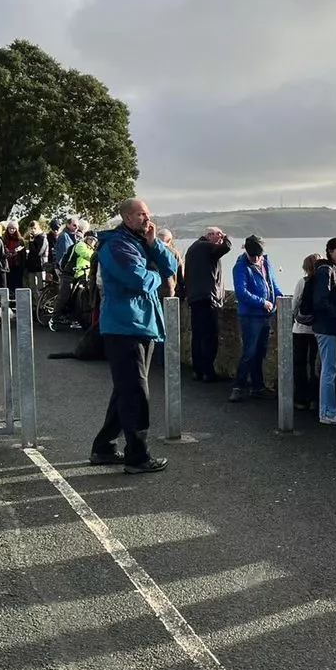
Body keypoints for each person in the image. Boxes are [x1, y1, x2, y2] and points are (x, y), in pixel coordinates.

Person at [89, 198, 177, 474]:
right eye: (141, 214)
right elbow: (138, 280)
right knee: (135, 392)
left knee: (126, 389)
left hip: (140, 324)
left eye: (148, 214)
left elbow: (171, 267)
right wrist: (155, 274)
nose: (147, 219)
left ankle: (103, 447)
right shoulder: (117, 245)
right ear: (126, 218)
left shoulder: (139, 242)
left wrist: (154, 244)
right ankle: (137, 456)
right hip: (124, 326)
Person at [230, 235, 283, 403]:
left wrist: (280, 299)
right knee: (249, 352)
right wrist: (262, 302)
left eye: (258, 255)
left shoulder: (266, 263)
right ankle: (238, 387)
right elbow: (241, 292)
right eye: (253, 255)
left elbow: (273, 284)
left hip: (266, 315)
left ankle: (257, 387)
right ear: (247, 251)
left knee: (260, 353)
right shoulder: (240, 267)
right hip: (250, 316)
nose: (256, 259)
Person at [184, 227, 232, 383]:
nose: (219, 239)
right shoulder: (206, 246)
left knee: (197, 336)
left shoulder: (192, 248)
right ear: (209, 235)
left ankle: (198, 370)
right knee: (210, 336)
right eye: (218, 235)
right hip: (207, 298)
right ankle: (208, 372)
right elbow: (226, 247)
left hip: (194, 297)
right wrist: (226, 237)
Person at [311, 238, 336, 425]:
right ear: (329, 251)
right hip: (326, 327)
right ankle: (327, 412)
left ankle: (328, 410)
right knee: (329, 371)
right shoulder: (326, 271)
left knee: (328, 369)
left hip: (327, 327)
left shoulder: (330, 269)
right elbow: (320, 300)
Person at [291, 253, 323, 412]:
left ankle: (300, 398)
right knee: (315, 365)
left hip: (300, 329)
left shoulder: (302, 282)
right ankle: (315, 400)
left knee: (299, 364)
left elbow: (294, 305)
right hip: (317, 330)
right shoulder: (323, 283)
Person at [51, 217, 81, 319]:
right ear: (68, 225)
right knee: (65, 292)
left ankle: (65, 313)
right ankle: (56, 316)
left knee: (69, 292)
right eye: (74, 225)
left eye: (77, 226)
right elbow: (64, 255)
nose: (76, 228)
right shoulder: (64, 236)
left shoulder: (72, 235)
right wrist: (63, 268)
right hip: (64, 268)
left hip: (68, 268)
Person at [156, 228, 186, 299]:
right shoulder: (174, 252)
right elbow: (180, 274)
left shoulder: (149, 250)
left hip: (153, 291)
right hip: (168, 291)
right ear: (169, 240)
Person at [2, 221, 26, 296]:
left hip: (17, 265)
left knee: (17, 284)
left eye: (13, 229)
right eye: (10, 228)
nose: (12, 230)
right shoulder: (4, 239)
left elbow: (23, 255)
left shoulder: (20, 240)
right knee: (9, 284)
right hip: (8, 265)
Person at [25, 221, 49, 292]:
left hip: (40, 265)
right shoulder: (31, 238)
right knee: (32, 287)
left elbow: (38, 252)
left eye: (35, 228)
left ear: (38, 228)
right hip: (32, 266)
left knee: (41, 287)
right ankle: (35, 302)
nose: (33, 230)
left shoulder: (42, 238)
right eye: (31, 228)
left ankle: (41, 302)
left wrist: (31, 242)